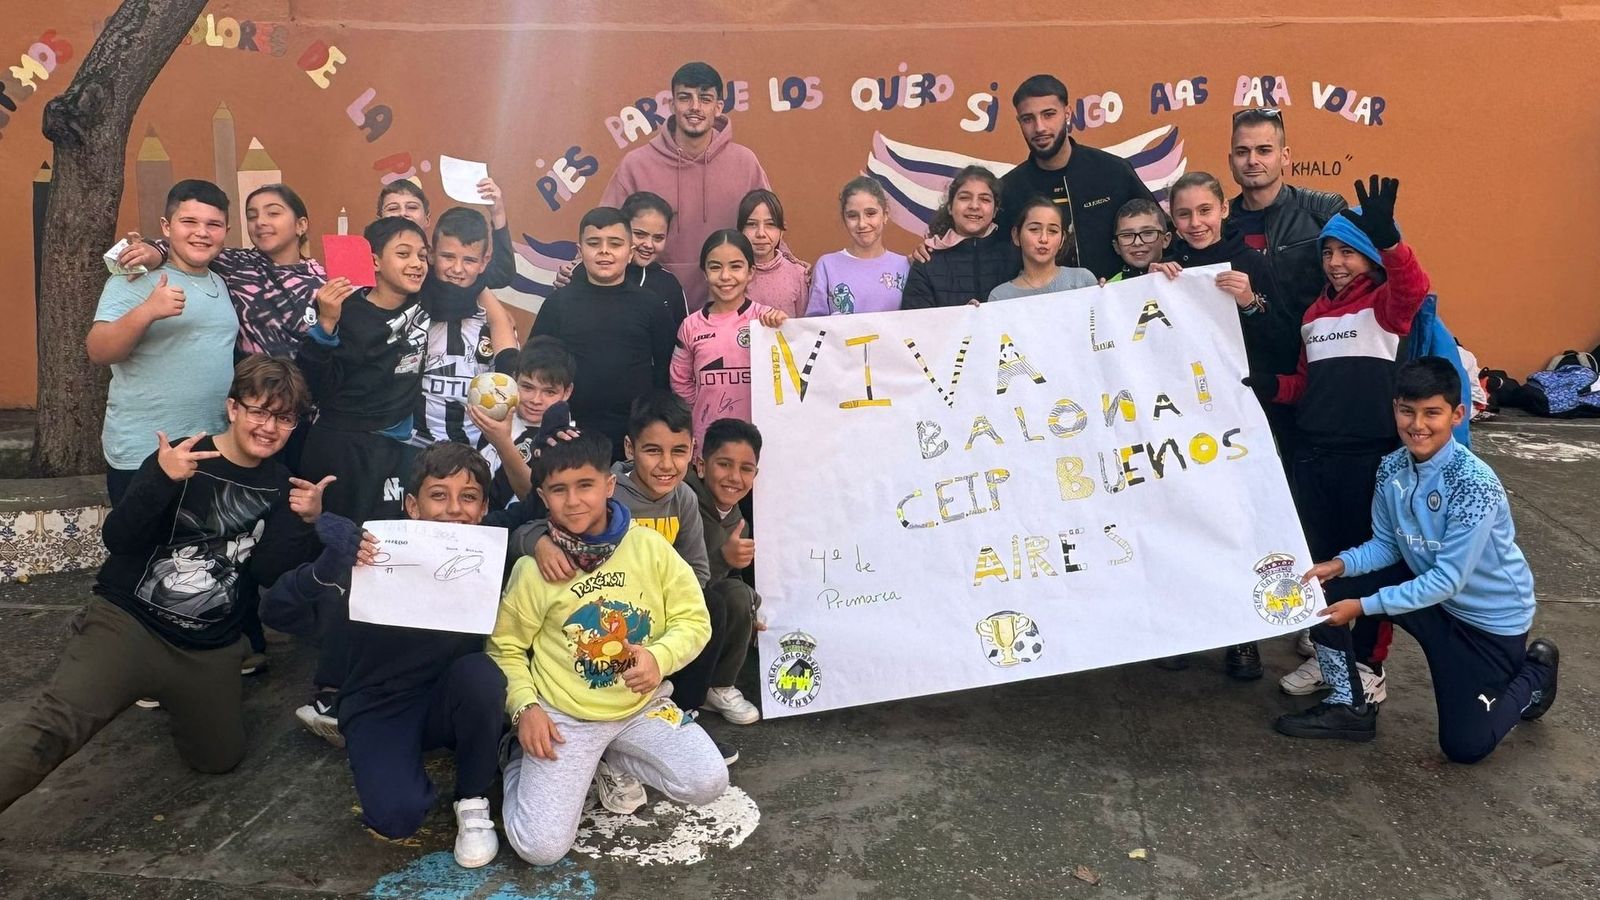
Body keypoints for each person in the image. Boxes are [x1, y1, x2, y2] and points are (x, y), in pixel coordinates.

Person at [0, 357, 319, 813]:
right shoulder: (182, 459)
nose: (269, 427)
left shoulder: (281, 487)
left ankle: (169, 690)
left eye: (283, 417)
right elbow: (119, 538)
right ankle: (104, 658)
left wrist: (307, 521)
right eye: (259, 411)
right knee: (54, 727)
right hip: (129, 622)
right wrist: (159, 478)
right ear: (233, 408)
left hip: (207, 646)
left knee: (218, 759)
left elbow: (266, 573)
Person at [1276, 357, 1559, 756]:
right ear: (1394, 409)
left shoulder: (1474, 484)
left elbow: (1448, 580)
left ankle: (1534, 674)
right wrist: (1338, 565)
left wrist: (1364, 605)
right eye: (1407, 411)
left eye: (1432, 413)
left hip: (1486, 623)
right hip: (1431, 602)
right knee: (1324, 590)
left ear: (1457, 415)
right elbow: (1387, 545)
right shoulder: (1392, 467)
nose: (1417, 425)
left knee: (1465, 746)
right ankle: (1348, 704)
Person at [260, 442, 508, 868]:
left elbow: (539, 521)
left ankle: (472, 798)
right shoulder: (370, 551)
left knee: (483, 676)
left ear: (483, 507)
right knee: (396, 817)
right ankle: (379, 754)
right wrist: (326, 566)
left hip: (448, 700)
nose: (454, 509)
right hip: (377, 703)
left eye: (468, 497)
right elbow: (275, 609)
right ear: (412, 505)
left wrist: (539, 541)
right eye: (438, 495)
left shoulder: (488, 551)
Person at [490, 430, 726, 864]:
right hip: (565, 717)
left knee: (708, 781)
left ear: (609, 485)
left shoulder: (650, 548)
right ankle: (517, 762)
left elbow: (694, 619)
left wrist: (659, 656)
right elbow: (503, 648)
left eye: (586, 485)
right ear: (543, 497)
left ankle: (608, 757)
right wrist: (526, 708)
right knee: (539, 849)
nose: (574, 500)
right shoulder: (534, 569)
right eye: (559, 490)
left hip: (642, 707)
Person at [1248, 175, 1431, 706]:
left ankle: (1368, 665)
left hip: (1372, 457)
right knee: (1323, 561)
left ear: (1369, 258)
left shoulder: (1384, 306)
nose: (1335, 262)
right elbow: (1304, 385)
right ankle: (1330, 659)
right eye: (1328, 251)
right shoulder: (1312, 317)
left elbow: (1413, 287)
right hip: (1316, 453)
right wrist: (1271, 387)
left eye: (1348, 251)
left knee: (1371, 564)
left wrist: (1391, 242)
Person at [1144, 172, 1302, 679]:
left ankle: (1243, 637)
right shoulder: (1167, 269)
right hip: (1181, 418)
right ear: (1172, 219)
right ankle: (1189, 628)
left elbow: (1284, 340)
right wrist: (1155, 285)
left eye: (1204, 211)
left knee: (1238, 525)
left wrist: (1251, 302)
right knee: (1186, 522)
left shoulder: (1253, 264)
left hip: (1239, 418)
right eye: (1184, 214)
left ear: (1223, 211)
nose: (1195, 223)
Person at [292, 215, 432, 742]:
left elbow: (487, 266)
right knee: (344, 560)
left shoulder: (427, 301)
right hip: (342, 447)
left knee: (386, 559)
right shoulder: (343, 308)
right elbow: (310, 386)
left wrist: (497, 214)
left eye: (422, 252)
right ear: (374, 261)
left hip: (395, 452)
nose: (417, 261)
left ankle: (377, 677)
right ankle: (328, 693)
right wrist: (324, 327)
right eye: (403, 252)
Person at [88, 179, 238, 506]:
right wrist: (148, 311)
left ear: (226, 230)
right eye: (189, 222)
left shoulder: (222, 283)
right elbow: (98, 350)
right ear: (166, 227)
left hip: (209, 447)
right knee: (139, 550)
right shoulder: (135, 277)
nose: (202, 232)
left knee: (197, 554)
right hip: (145, 451)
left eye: (213, 224)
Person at [599, 61, 771, 312]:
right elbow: (607, 229)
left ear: (718, 107)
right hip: (651, 307)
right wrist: (580, 266)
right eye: (684, 97)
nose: (695, 107)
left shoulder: (745, 162)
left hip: (726, 309)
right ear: (672, 105)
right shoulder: (636, 165)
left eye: (705, 98)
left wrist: (790, 267)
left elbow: (767, 226)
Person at [114, 182, 328, 359]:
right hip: (252, 401)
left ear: (301, 225)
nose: (261, 222)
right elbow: (186, 245)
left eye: (273, 213)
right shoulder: (236, 264)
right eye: (252, 216)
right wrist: (154, 251)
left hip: (307, 397)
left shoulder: (322, 280)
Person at [531, 207, 675, 459]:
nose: (604, 251)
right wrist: (551, 423)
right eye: (594, 243)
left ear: (630, 252)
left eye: (615, 243)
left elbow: (666, 372)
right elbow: (536, 367)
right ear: (580, 250)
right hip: (569, 434)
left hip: (633, 437)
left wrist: (654, 427)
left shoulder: (651, 306)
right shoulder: (558, 304)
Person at [995, 74, 1157, 278]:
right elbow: (993, 260)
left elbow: (1160, 232)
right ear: (1019, 122)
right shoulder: (1009, 189)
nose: (1039, 127)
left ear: (1067, 113)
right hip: (1040, 306)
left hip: (1112, 302)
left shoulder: (1113, 171)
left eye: (1048, 114)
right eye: (1028, 119)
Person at [677, 418, 766, 726]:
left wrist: (752, 608)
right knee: (721, 600)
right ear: (701, 465)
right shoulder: (682, 500)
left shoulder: (737, 515)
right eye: (724, 464)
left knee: (740, 596)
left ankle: (719, 686)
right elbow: (680, 577)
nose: (734, 477)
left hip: (707, 612)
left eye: (746, 469)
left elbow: (732, 579)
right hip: (675, 612)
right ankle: (682, 693)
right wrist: (722, 557)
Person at [410, 207, 520, 449]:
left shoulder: (493, 320)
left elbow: (508, 373)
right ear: (430, 254)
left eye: (469, 260)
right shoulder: (411, 311)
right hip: (415, 445)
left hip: (474, 451)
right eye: (448, 257)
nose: (457, 269)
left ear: (484, 263)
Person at [670, 230, 789, 450]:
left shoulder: (766, 320)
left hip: (761, 444)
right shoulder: (691, 326)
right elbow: (680, 381)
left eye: (736, 266)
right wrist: (701, 410)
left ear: (751, 272)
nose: (725, 276)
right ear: (704, 273)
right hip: (707, 443)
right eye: (715, 267)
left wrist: (786, 329)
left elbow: (789, 379)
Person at [1227, 108, 1348, 317]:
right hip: (1240, 348)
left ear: (1285, 156)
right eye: (1242, 152)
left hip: (1308, 345)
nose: (1252, 160)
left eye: (1264, 150)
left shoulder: (1324, 211)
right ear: (1231, 161)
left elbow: (1363, 284)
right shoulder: (1217, 223)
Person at [476, 336, 577, 510]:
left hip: (515, 531)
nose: (536, 400)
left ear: (567, 392)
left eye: (549, 392)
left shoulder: (566, 441)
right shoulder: (498, 407)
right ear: (514, 379)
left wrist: (503, 444)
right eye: (527, 387)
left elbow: (534, 500)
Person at [562, 192, 691, 328]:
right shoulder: (584, 272)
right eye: (640, 234)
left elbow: (683, 342)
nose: (648, 244)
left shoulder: (668, 285)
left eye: (658, 238)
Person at [901, 166, 1020, 309]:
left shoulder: (1014, 256)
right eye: (964, 198)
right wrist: (961, 318)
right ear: (950, 207)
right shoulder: (926, 261)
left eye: (984, 199)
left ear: (995, 211)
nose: (974, 206)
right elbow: (916, 322)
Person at [377, 179, 518, 292]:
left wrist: (498, 213)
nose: (403, 214)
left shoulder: (438, 265)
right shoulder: (368, 258)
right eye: (393, 208)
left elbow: (501, 274)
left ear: (427, 219)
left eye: (412, 207)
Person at [805, 176, 909, 316]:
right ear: (844, 218)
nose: (862, 223)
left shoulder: (904, 266)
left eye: (870, 213)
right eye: (852, 216)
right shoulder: (827, 266)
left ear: (885, 215)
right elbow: (815, 324)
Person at [986, 197, 1097, 301]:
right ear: (1016, 235)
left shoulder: (1083, 280)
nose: (1044, 239)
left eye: (1053, 231)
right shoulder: (1001, 296)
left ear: (1062, 239)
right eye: (1034, 229)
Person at [737, 189, 809, 318]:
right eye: (752, 224)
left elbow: (804, 328)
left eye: (770, 224)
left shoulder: (798, 274)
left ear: (781, 231)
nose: (761, 233)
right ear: (740, 230)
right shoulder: (732, 274)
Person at [1106, 199, 1172, 282]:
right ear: (1117, 246)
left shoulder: (1183, 273)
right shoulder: (1109, 288)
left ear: (1166, 239)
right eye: (1127, 235)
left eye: (1147, 233)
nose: (1137, 242)